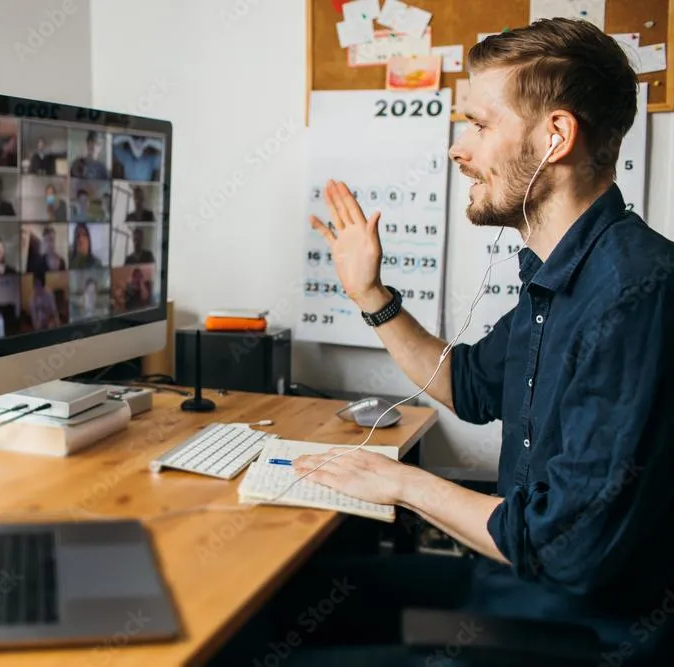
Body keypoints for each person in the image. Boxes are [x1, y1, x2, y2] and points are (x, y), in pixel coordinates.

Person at [247, 18, 674, 667]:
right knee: (277, 607)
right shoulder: (560, 272)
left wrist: (399, 484)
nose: (458, 148)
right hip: (514, 591)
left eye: (478, 124)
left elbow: (569, 545)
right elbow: (469, 386)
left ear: (555, 136)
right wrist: (371, 294)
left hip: (580, 636)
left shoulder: (632, 293)